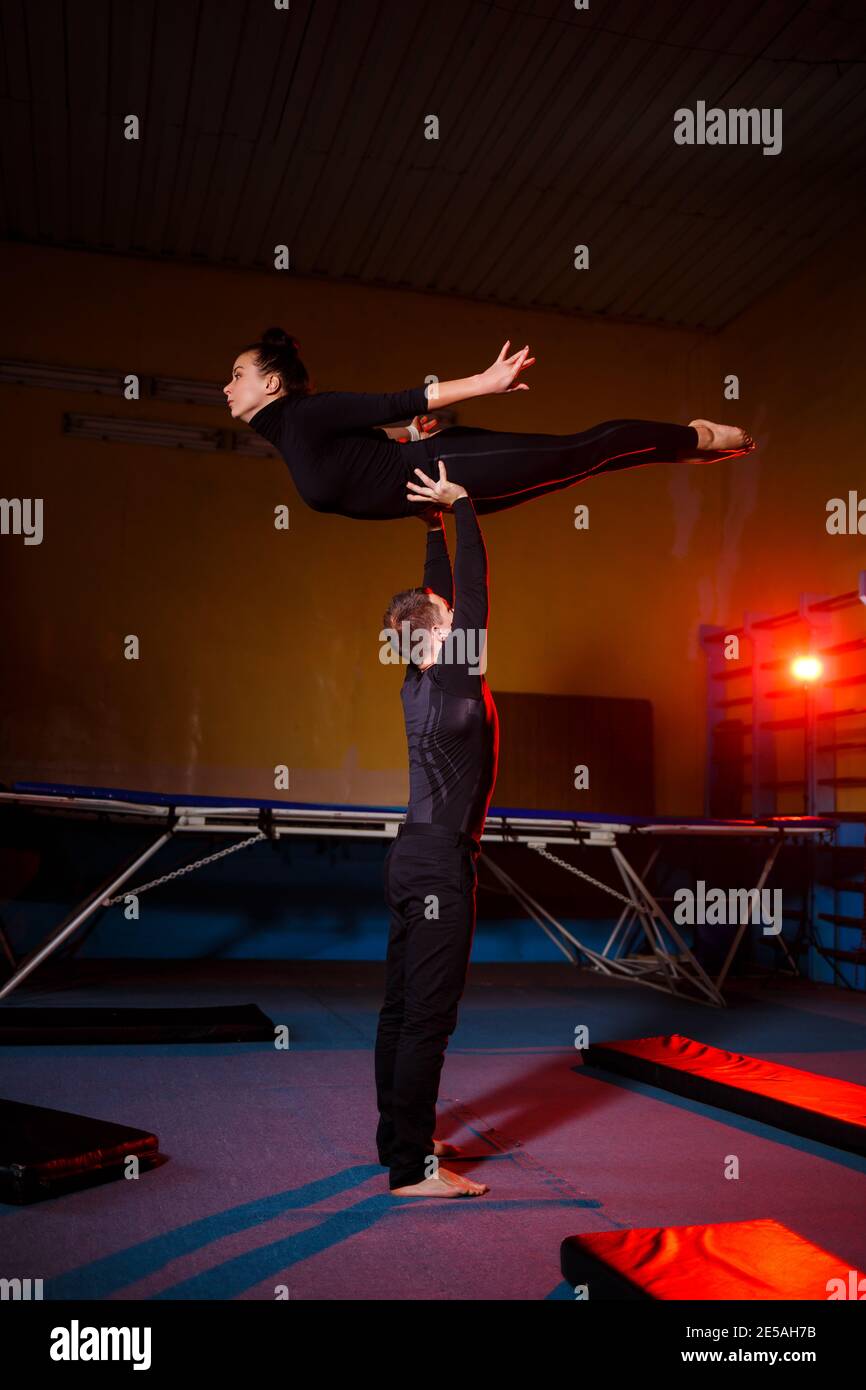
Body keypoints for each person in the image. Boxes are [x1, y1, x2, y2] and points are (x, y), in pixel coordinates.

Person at [228, 327, 756, 522]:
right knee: (577, 470)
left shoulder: (305, 414)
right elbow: (365, 453)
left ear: (272, 385)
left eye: (237, 375)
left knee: (581, 451)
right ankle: (677, 448)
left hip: (446, 468)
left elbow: (402, 397)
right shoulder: (296, 438)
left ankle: (694, 436)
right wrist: (409, 434)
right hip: (448, 490)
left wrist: (484, 382)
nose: (227, 387)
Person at [375, 463, 498, 1198]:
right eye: (448, 615)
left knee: (399, 1009)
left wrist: (429, 523)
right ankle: (411, 1168)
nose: (458, 614)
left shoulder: (415, 675)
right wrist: (463, 504)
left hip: (408, 860)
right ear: (443, 632)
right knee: (427, 1018)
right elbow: (473, 592)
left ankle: (398, 1139)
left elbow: (442, 599)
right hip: (438, 868)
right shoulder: (455, 673)